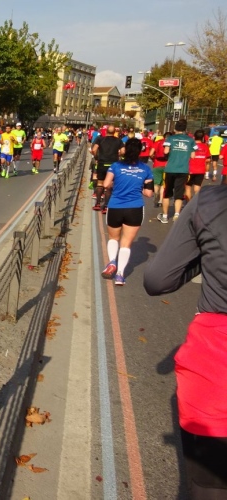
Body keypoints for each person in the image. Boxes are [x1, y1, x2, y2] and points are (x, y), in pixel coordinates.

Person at [143, 183, 227, 499]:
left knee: (210, 487)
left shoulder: (212, 201)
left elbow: (158, 280)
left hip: (216, 368)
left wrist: (205, 255)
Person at [99, 139, 153, 286]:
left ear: (125, 150)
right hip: (135, 208)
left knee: (113, 238)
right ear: (140, 151)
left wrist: (116, 185)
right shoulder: (146, 169)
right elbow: (149, 193)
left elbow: (106, 184)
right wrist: (137, 187)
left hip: (115, 206)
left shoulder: (115, 166)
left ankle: (112, 262)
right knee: (126, 243)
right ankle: (120, 275)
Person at [158, 119, 197, 224]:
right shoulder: (190, 140)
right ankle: (176, 215)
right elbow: (193, 156)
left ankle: (165, 216)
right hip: (183, 169)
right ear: (185, 129)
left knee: (167, 192)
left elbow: (166, 151)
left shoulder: (170, 138)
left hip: (170, 169)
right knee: (179, 193)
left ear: (175, 128)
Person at [91, 124, 125, 213]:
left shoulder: (100, 139)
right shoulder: (118, 140)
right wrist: (118, 155)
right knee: (109, 186)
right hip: (113, 164)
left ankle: (98, 204)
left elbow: (94, 150)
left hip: (102, 163)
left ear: (106, 131)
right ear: (114, 132)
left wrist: (96, 157)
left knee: (100, 183)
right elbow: (123, 151)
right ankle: (106, 206)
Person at [186, 129, 210, 201]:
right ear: (203, 138)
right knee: (197, 188)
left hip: (189, 169)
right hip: (201, 170)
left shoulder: (190, 146)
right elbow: (208, 159)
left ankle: (188, 204)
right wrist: (201, 158)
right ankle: (195, 203)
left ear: (194, 136)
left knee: (188, 187)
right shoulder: (205, 147)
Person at [150, 131, 172, 208]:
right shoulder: (172, 143)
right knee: (163, 184)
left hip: (157, 164)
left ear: (164, 136)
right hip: (167, 165)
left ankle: (156, 194)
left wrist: (153, 159)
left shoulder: (158, 142)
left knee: (156, 182)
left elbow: (150, 154)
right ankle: (160, 200)